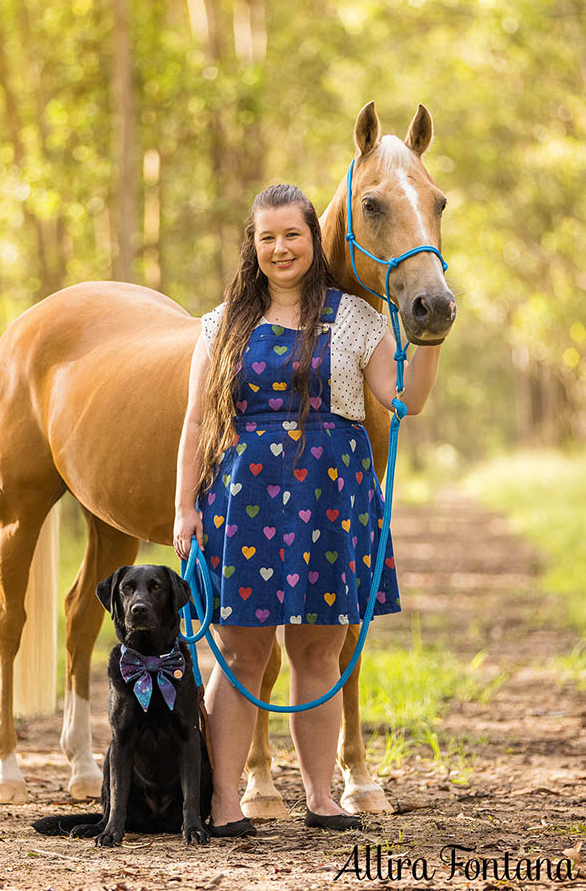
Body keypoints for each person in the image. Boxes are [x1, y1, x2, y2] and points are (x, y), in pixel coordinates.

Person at [173, 183, 442, 837]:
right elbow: (196, 419)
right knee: (238, 654)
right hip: (245, 498)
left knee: (318, 655)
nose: (279, 248)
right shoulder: (223, 322)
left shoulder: (355, 318)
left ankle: (322, 797)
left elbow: (403, 397)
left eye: (290, 235)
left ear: (311, 239)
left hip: (330, 502)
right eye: (266, 237)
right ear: (253, 244)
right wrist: (183, 509)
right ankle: (226, 802)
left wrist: (430, 334)